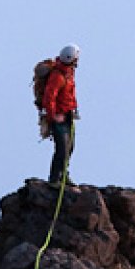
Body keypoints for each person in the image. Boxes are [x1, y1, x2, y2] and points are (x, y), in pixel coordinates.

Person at [40, 44, 79, 183]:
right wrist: (53, 116)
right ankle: (55, 179)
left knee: (69, 147)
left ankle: (64, 174)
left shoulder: (68, 72)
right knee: (62, 149)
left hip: (67, 115)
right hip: (59, 118)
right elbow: (49, 98)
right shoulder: (58, 76)